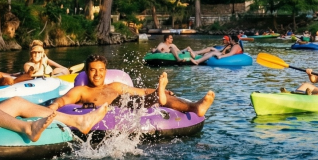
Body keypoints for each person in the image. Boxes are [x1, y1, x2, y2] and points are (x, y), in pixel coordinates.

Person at [51, 55, 215, 117]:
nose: (97, 74)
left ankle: (195, 107)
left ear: (105, 71)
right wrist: (53, 106)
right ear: (87, 72)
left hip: (127, 106)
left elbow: (142, 91)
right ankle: (159, 95)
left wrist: (159, 91)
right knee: (130, 100)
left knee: (145, 97)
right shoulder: (82, 90)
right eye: (93, 70)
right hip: (107, 110)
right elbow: (64, 101)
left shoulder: (114, 85)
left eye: (101, 70)